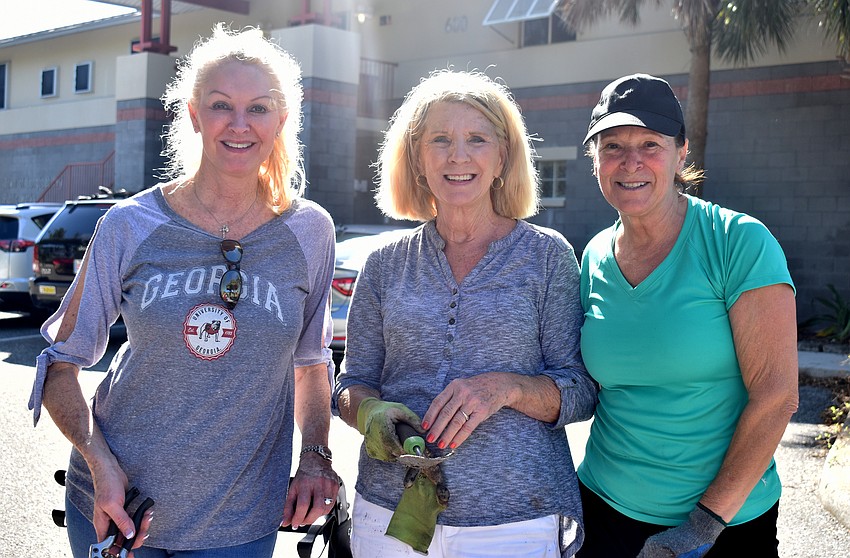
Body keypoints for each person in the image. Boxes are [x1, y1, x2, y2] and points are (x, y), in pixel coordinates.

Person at [28, 24, 340, 558]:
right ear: (193, 115)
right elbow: (61, 366)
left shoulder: (309, 231)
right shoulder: (130, 224)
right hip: (119, 508)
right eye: (221, 105)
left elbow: (310, 364)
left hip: (240, 522)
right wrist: (98, 460)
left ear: (282, 121)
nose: (239, 124)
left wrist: (315, 456)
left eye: (259, 108)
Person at [333, 69, 598, 558]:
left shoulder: (546, 256)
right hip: (388, 515)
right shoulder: (384, 264)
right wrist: (369, 411)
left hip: (517, 517)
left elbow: (580, 390)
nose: (458, 156)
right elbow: (350, 384)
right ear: (417, 158)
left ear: (502, 156)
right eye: (440, 140)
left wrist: (508, 387)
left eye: (477, 139)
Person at [575, 73, 799, 558]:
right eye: (612, 145)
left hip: (722, 524)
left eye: (650, 144)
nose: (631, 161)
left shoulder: (739, 242)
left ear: (681, 153)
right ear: (595, 159)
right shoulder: (593, 256)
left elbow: (777, 395)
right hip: (604, 508)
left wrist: (703, 526)